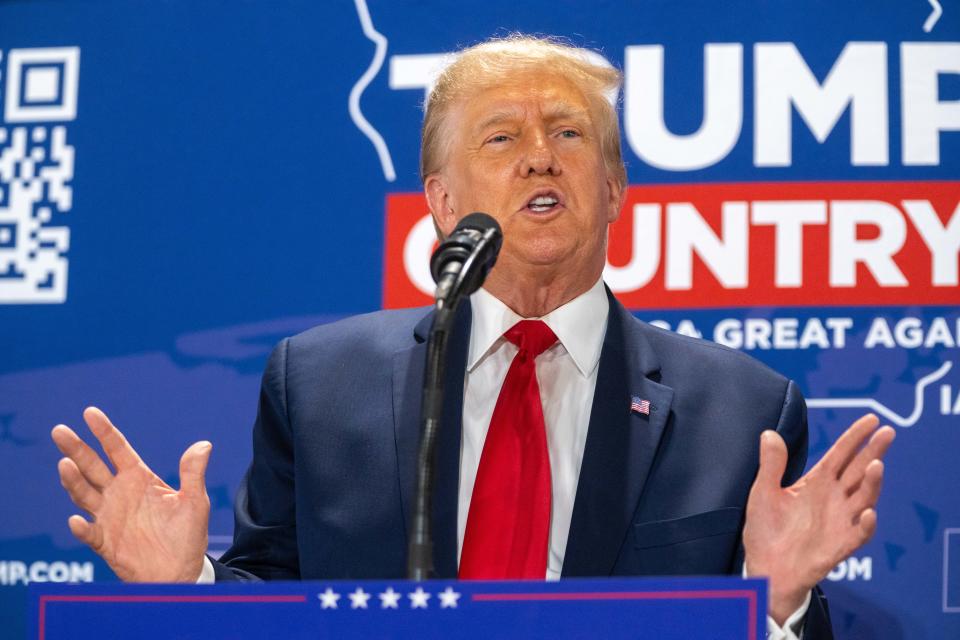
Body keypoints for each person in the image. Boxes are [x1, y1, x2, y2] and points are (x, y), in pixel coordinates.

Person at [51, 36, 894, 639]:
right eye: (502, 139)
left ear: (612, 189)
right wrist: (185, 589)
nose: (539, 159)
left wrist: (775, 603)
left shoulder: (743, 409)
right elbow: (273, 606)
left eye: (568, 134)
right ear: (444, 204)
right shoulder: (317, 384)